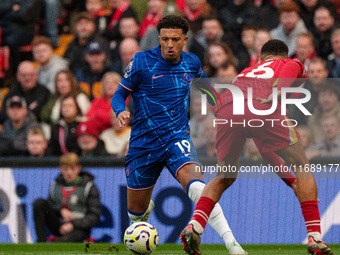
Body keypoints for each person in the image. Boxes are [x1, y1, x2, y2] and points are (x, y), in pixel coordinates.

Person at [181, 39, 333, 255]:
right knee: (302, 165)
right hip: (262, 104)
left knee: (224, 176)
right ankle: (315, 237)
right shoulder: (287, 64)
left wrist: (290, 182)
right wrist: (279, 91)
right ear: (282, 55)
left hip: (226, 109)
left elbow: (265, 148)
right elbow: (292, 67)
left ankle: (194, 225)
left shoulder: (247, 71)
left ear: (261, 59)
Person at [111, 15, 247, 254]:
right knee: (135, 214)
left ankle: (232, 244)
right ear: (159, 39)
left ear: (185, 39)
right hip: (144, 144)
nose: (169, 44)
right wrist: (121, 111)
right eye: (165, 39)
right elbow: (119, 94)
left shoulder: (192, 62)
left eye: (175, 39)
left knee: (198, 188)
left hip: (177, 138)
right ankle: (143, 211)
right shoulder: (141, 61)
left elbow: (207, 90)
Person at [33, 152, 102, 242]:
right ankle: (40, 242)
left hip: (79, 228)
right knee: (39, 203)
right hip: (59, 224)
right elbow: (51, 203)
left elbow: (94, 216)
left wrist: (73, 224)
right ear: (60, 169)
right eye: (65, 169)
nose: (69, 173)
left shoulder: (89, 186)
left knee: (58, 244)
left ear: (78, 168)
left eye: (72, 169)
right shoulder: (55, 185)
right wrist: (60, 209)